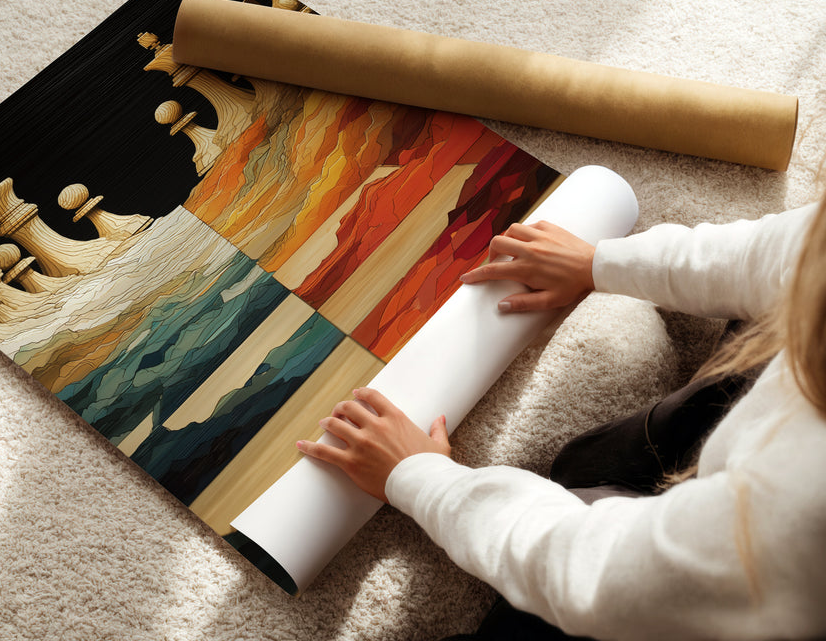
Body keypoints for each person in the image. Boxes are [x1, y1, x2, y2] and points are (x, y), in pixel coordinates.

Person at [296, 197, 826, 640]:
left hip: (745, 591)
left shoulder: (800, 512)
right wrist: (599, 263)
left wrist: (420, 478)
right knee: (588, 465)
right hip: (755, 481)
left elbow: (596, 574)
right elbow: (783, 252)